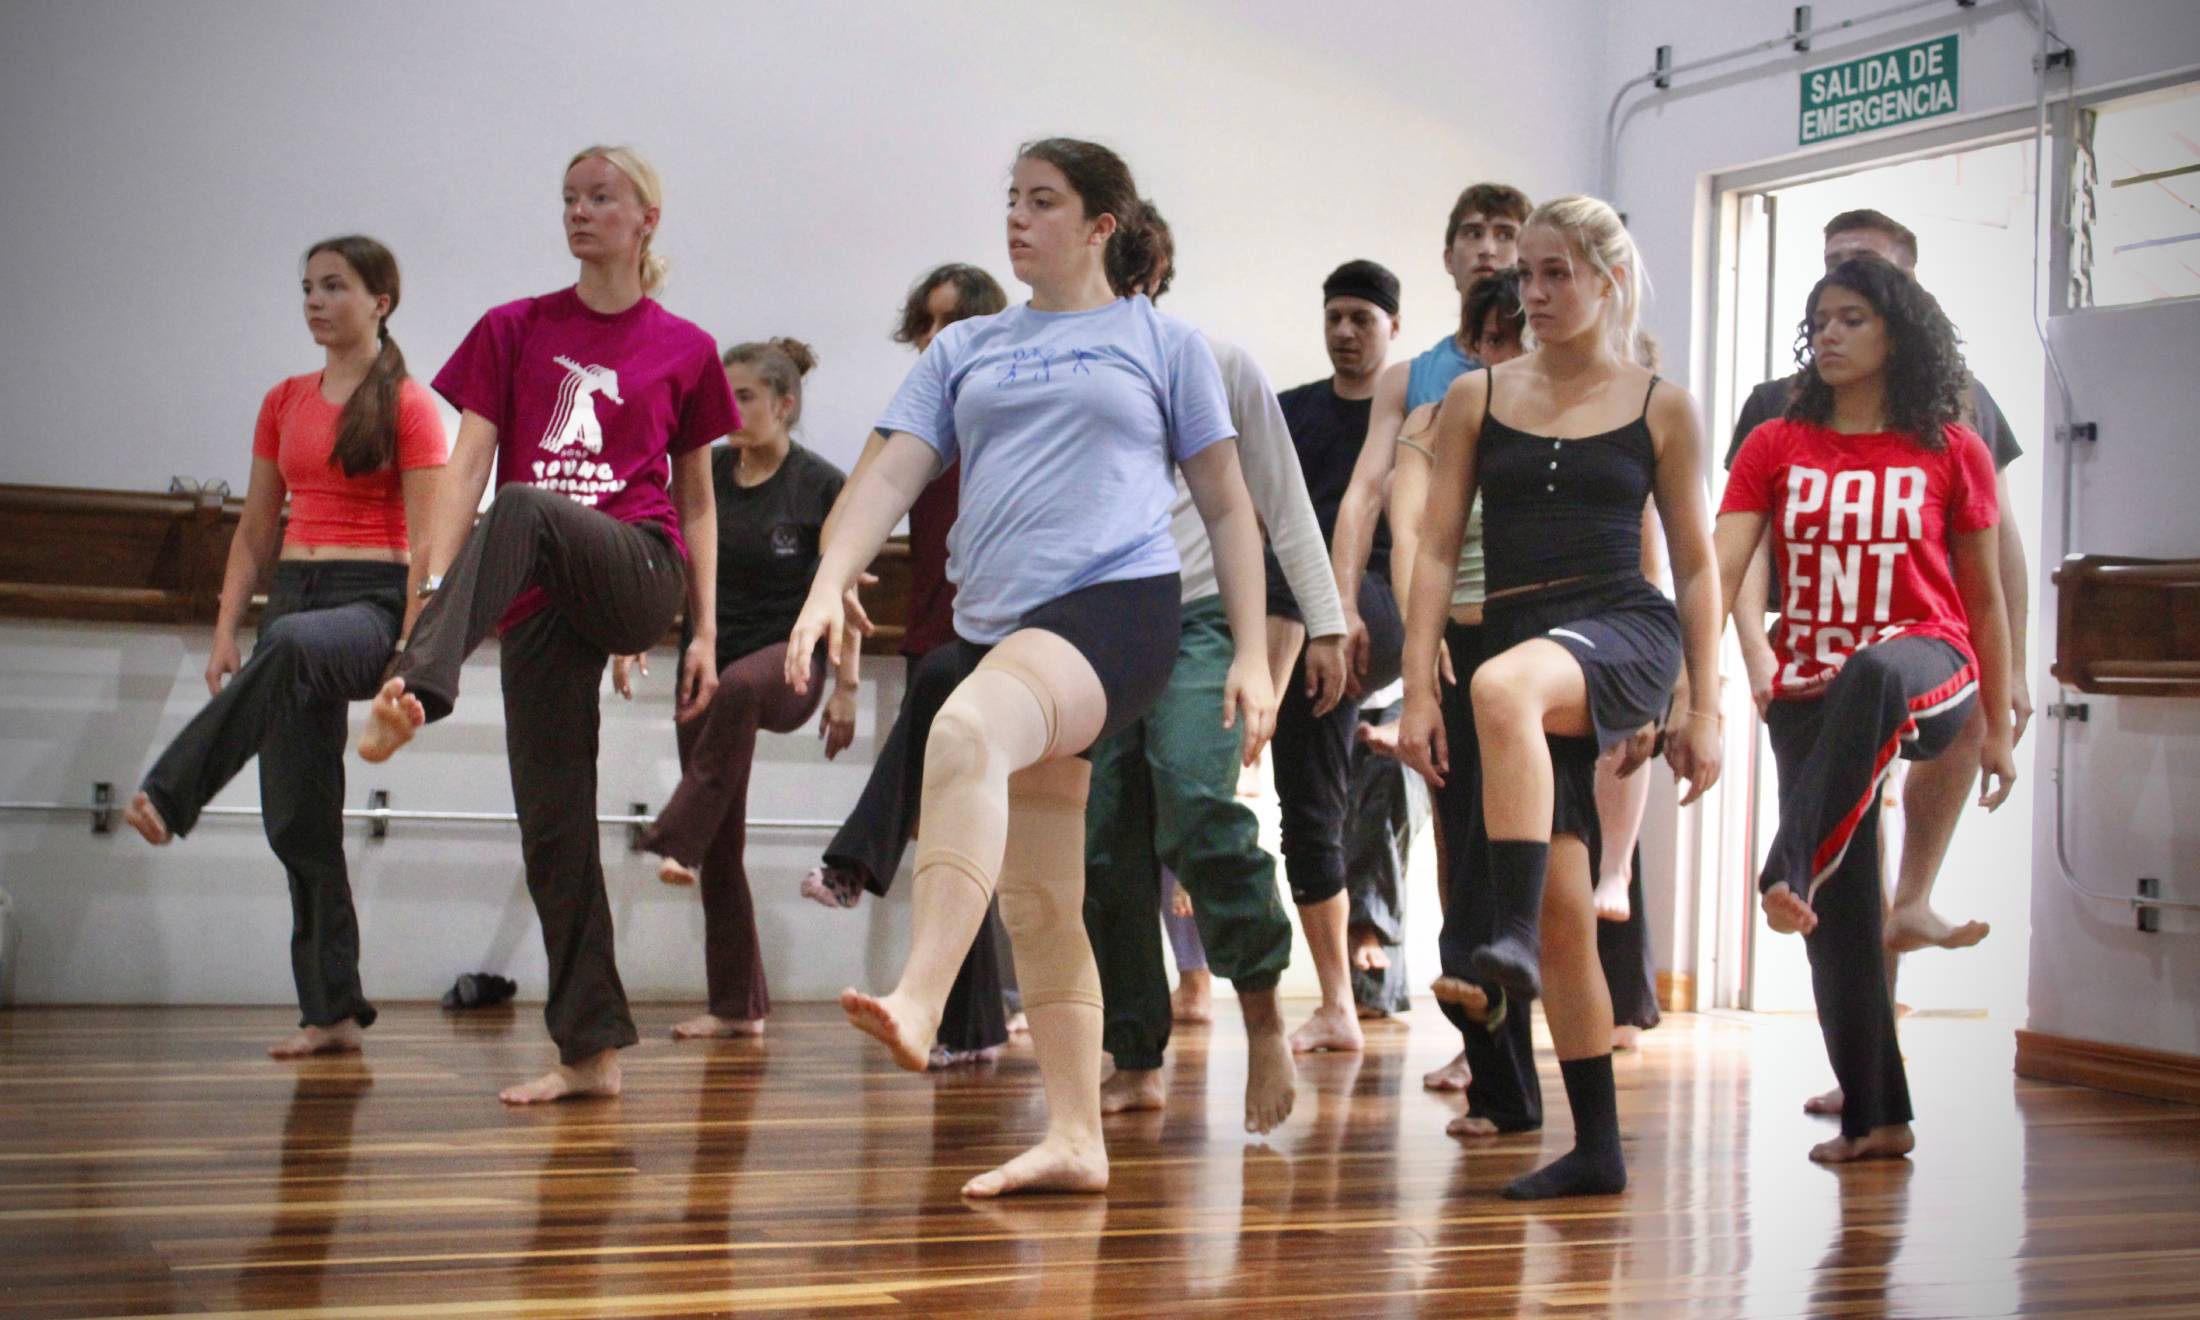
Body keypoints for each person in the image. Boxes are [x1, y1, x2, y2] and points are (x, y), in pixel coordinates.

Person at [788, 137, 1274, 1198]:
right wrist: (828, 582)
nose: (1016, 217)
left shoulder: (1163, 343)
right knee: (1042, 896)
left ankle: (920, 997)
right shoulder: (966, 348)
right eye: (1011, 199)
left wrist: (1251, 652)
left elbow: (1230, 506)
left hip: (1118, 610)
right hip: (999, 622)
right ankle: (1075, 1137)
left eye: (1042, 202)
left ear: (1101, 225)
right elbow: (888, 479)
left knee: (965, 730)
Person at [354, 144, 736, 1105]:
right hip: (537, 595)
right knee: (552, 825)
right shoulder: (513, 328)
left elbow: (698, 501)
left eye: (601, 197)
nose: (579, 211)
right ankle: (590, 1052)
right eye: (569, 198)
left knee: (525, 503)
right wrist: (424, 586)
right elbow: (465, 467)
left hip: (637, 567)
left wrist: (704, 633)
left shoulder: (685, 346)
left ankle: (415, 686)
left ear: (646, 219)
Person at [1399, 196, 1723, 1200]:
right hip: (1518, 641)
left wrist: (1703, 705)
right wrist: (1416, 688)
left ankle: (1498, 936)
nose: (1532, 292)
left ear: (1608, 281)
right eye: (1525, 275)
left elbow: (1697, 568)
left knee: (1502, 686)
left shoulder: (1661, 406)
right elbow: (1436, 549)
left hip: (1620, 628)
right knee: (1566, 912)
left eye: (1555, 274)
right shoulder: (1477, 397)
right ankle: (1597, 1148)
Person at [1727, 207, 2032, 1117]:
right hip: (1809, 677)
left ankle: (1789, 865)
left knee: (1876, 670)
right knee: (1840, 920)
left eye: (1852, 316)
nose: (1829, 332)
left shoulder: (1953, 436)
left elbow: (1988, 585)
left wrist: (2003, 712)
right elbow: (1724, 561)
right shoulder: (1775, 431)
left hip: (1928, 660)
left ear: (1899, 324)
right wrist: (1739, 662)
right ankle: (1874, 1116)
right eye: (1820, 317)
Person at [123, 236, 447, 1059]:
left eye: (334, 286)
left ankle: (173, 792)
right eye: (307, 287)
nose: (314, 301)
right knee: (299, 821)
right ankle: (331, 1012)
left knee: (297, 643)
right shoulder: (283, 400)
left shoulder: (410, 406)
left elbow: (431, 543)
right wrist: (226, 628)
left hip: (370, 603)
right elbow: (256, 529)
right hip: (293, 599)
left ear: (380, 300)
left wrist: (410, 655)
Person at [1081, 207, 1348, 1134]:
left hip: (1198, 618)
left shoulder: (1218, 363)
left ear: (1156, 274)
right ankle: (1134, 1051)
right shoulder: (1065, 372)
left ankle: (1263, 1014)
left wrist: (1322, 624)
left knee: (1198, 801)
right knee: (1105, 842)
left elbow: (1281, 500)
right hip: (1098, 625)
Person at [1325, 183, 1532, 1063]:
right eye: (1471, 233)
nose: (1487, 247)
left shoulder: (1570, 374)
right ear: (1448, 255)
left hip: (1544, 621)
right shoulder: (1416, 382)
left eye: (1504, 233)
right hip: (1449, 614)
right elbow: (1371, 497)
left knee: (1542, 837)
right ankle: (1477, 1035)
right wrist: (1342, 605)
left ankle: (1566, 1024)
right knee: (1460, 832)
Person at [797, 264, 1019, 1069]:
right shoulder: (912, 415)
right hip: (934, 635)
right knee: (953, 835)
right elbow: (846, 517)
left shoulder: (1014, 407)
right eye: (923, 324)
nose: (931, 339)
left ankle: (854, 860)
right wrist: (839, 571)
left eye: (947, 322)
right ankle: (974, 1027)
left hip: (1008, 639)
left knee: (964, 824)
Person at [622, 338, 852, 1041]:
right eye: (723, 398)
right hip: (707, 662)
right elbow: (665, 562)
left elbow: (848, 590)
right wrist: (635, 632)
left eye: (744, 397)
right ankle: (736, 1007)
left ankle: (677, 836)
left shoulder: (821, 485)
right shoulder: (704, 474)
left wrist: (845, 687)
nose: (729, 410)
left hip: (789, 665)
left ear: (784, 405)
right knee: (723, 839)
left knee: (741, 691)